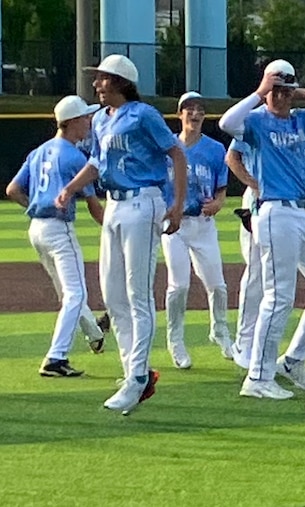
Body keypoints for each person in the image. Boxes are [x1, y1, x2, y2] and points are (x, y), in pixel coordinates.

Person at [55, 54, 187, 414]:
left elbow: (176, 153)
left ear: (120, 82)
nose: (97, 84)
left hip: (143, 203)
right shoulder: (100, 119)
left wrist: (176, 204)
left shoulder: (144, 115)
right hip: (114, 204)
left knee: (137, 294)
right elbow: (97, 162)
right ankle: (134, 370)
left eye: (102, 79)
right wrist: (70, 188)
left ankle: (137, 379)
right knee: (113, 296)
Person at [218, 58, 305, 399]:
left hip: (304, 213)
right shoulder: (256, 121)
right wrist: (261, 91)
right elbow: (226, 123)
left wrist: (301, 91)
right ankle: (258, 377)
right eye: (276, 90)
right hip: (276, 213)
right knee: (278, 297)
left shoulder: (301, 120)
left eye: (285, 90)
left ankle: (292, 360)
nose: (281, 96)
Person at [5, 95, 110, 376]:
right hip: (58, 229)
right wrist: (113, 231)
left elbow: (12, 190)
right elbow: (93, 205)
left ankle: (94, 334)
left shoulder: (39, 151)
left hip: (36, 228)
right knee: (76, 293)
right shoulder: (75, 156)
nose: (89, 121)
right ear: (73, 121)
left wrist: (35, 207)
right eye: (85, 117)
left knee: (68, 293)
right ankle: (56, 357)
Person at [161, 91, 233, 369]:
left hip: (203, 224)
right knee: (178, 285)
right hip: (175, 225)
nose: (195, 114)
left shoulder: (215, 149)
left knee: (217, 285)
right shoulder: (167, 147)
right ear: (180, 114)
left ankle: (220, 330)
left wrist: (218, 203)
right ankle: (175, 340)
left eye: (200, 109)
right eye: (189, 109)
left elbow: (221, 188)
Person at [225, 139, 263, 370]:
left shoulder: (294, 120)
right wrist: (253, 183)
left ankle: (260, 343)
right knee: (256, 271)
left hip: (283, 199)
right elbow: (231, 157)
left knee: (274, 276)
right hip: (258, 199)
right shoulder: (252, 120)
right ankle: (244, 342)